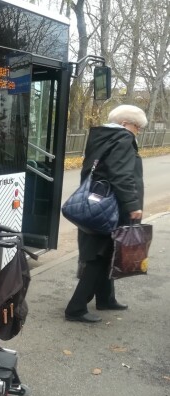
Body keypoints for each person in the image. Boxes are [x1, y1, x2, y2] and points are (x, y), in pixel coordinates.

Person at [65, 104, 147, 323]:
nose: (138, 131)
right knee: (99, 257)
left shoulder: (103, 137)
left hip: (97, 205)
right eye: (137, 126)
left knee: (108, 252)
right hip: (111, 207)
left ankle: (106, 298)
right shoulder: (122, 139)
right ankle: (76, 308)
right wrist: (132, 204)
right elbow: (121, 174)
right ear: (124, 124)